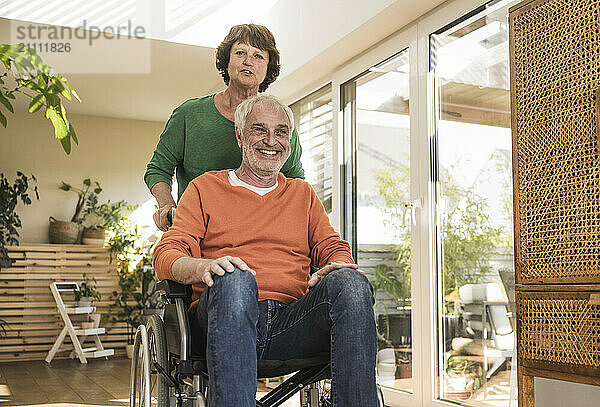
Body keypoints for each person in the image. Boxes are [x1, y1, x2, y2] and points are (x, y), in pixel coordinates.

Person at [153, 94, 378, 406]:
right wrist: (204, 267)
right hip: (225, 315)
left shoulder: (302, 194)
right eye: (259, 130)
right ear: (240, 135)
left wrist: (337, 263)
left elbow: (332, 246)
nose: (271, 141)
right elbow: (167, 255)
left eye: (282, 132)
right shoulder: (204, 188)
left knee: (351, 282)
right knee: (234, 275)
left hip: (291, 323)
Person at [145, 24, 305, 231]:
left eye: (258, 56)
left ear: (268, 68)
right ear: (226, 60)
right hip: (197, 230)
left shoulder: (279, 126)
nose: (248, 61)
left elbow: (296, 182)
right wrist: (167, 205)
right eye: (240, 53)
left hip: (257, 233)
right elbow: (158, 169)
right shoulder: (189, 114)